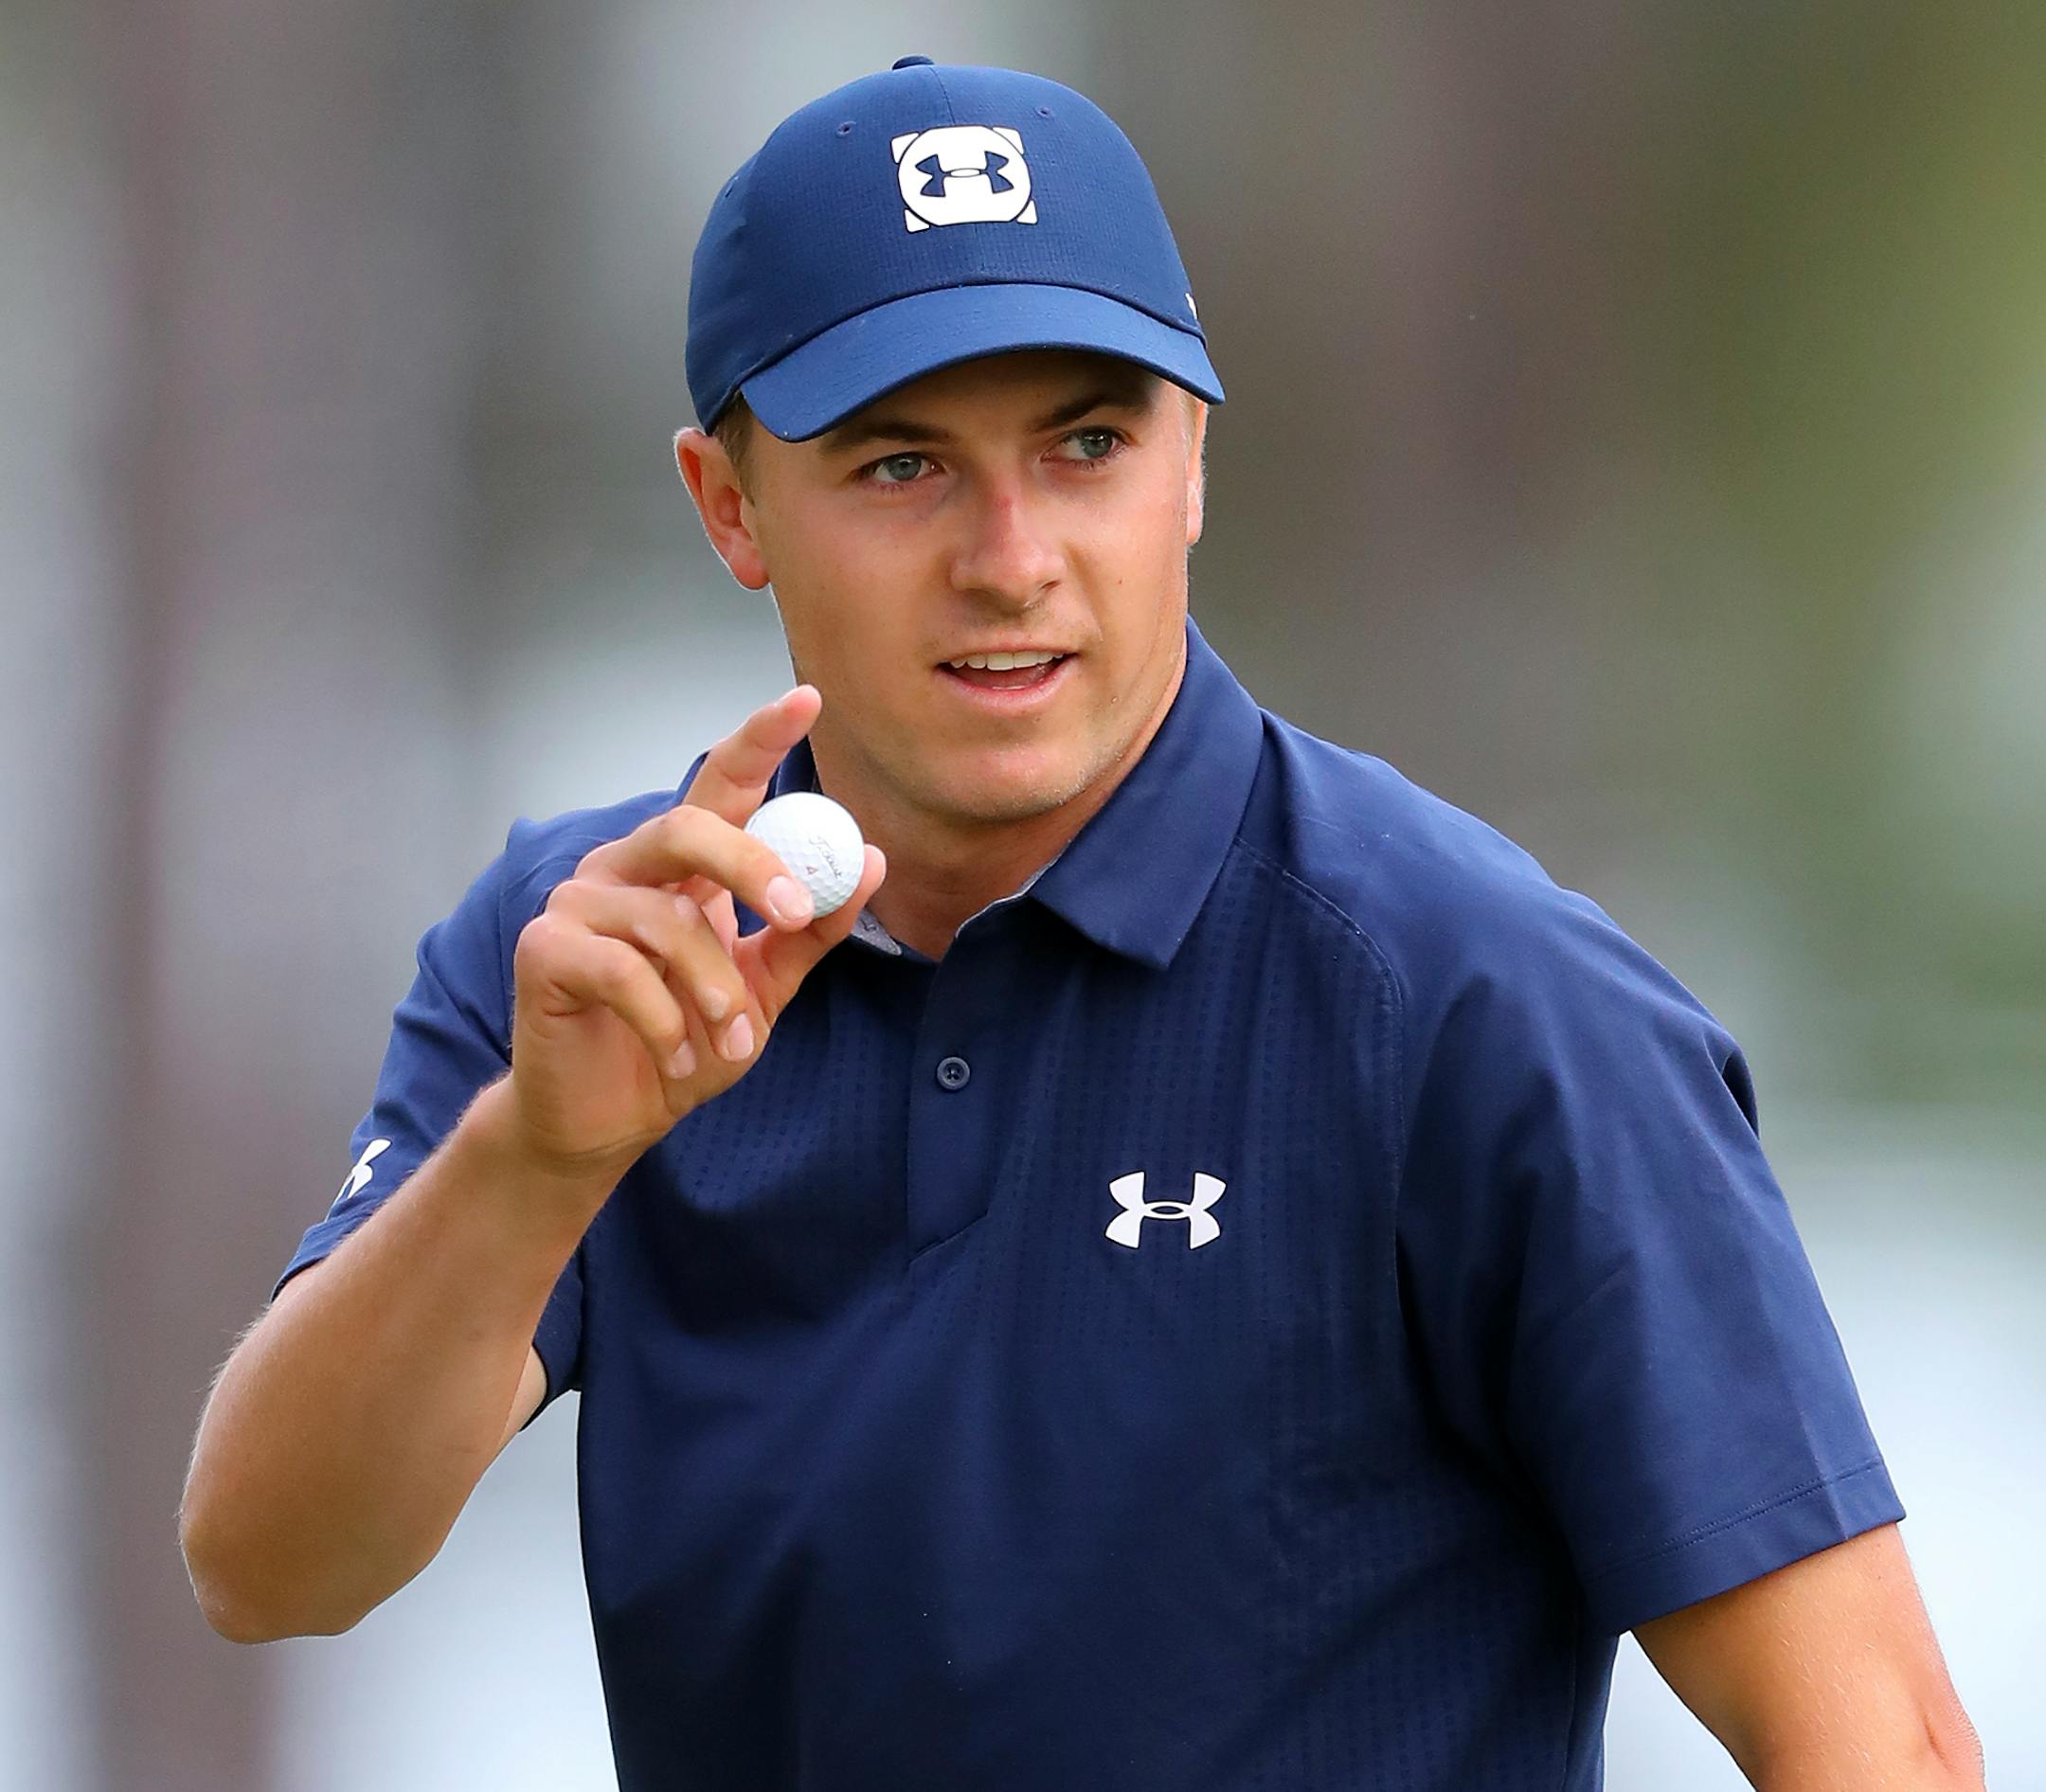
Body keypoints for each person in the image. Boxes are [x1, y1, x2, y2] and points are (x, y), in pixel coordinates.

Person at [179, 57, 1984, 1792]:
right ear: (730, 505)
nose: (1013, 554)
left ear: (1192, 463)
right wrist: (532, 1162)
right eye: (902, 465)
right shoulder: (601, 953)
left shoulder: (1480, 999)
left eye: (1090, 443)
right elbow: (271, 1566)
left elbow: (1876, 1748)